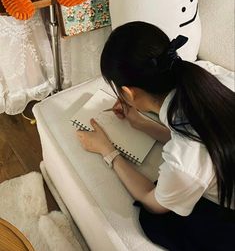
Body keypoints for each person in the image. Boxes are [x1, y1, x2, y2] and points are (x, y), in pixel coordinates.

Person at [77, 21, 235, 251]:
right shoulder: (209, 78)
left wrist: (108, 151)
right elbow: (204, 138)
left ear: (128, 93)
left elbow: (154, 203)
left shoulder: (184, 162)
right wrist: (140, 123)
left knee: (156, 222)